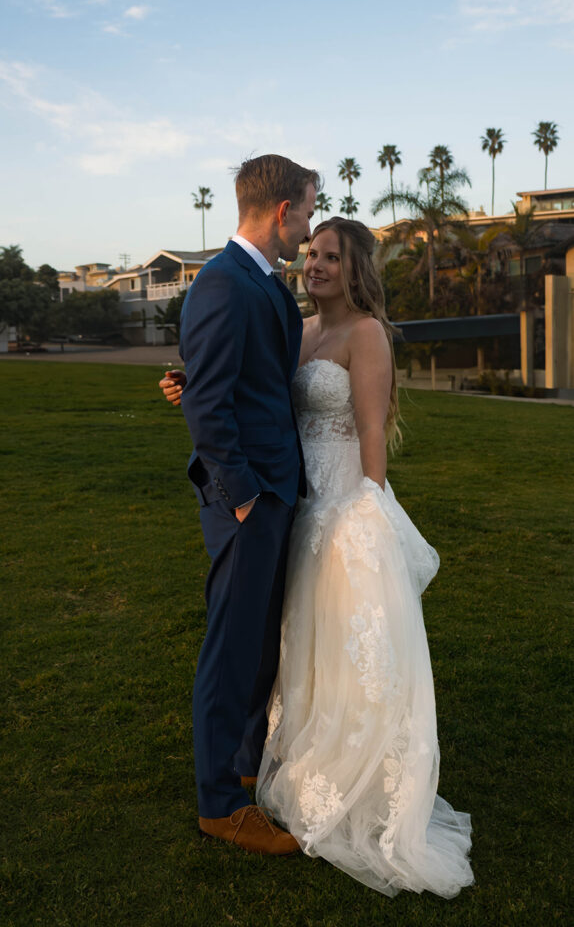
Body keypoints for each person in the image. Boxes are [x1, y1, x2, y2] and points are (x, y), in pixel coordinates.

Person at [161, 215, 473, 897]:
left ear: (355, 267)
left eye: (331, 256)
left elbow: (370, 431)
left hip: (344, 507)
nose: (316, 265)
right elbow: (254, 394)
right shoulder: (296, 329)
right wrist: (196, 383)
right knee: (295, 642)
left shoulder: (366, 335)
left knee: (348, 646)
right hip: (294, 507)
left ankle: (355, 773)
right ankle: (286, 757)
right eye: (311, 253)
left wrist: (372, 514)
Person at [173, 154, 320, 856]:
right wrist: (237, 498)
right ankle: (219, 804)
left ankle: (243, 766)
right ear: (283, 211)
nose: (310, 227)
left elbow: (235, 380)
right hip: (250, 498)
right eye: (310, 212)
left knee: (260, 644)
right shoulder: (225, 283)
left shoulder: (258, 282)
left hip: (276, 490)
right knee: (232, 651)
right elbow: (208, 402)